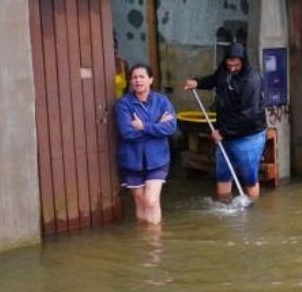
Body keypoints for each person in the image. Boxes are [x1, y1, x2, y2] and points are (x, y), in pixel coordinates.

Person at [183, 42, 267, 200]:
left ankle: (254, 211)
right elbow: (214, 79)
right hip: (225, 133)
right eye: (229, 64)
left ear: (243, 62)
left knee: (249, 178)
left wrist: (222, 132)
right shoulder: (224, 71)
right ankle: (224, 205)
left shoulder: (251, 80)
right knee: (222, 174)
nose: (232, 68)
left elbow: (248, 114)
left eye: (236, 65)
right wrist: (198, 83)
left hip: (248, 135)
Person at [114, 63, 177, 224]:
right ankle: (144, 240)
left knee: (151, 201)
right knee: (140, 202)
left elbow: (171, 127)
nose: (138, 80)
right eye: (134, 77)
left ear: (151, 80)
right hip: (132, 160)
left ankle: (155, 243)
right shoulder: (123, 104)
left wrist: (144, 126)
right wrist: (157, 125)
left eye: (142, 77)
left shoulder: (162, 101)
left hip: (157, 159)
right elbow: (127, 133)